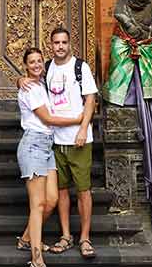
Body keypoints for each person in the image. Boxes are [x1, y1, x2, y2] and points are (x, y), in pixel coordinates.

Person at [21, 27, 98, 260]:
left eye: (64, 42)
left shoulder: (80, 67)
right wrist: (20, 78)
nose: (60, 46)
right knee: (61, 192)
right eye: (56, 43)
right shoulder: (46, 68)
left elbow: (91, 99)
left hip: (79, 139)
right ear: (51, 45)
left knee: (83, 190)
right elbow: (30, 82)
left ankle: (85, 238)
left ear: (69, 44)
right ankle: (66, 235)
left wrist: (83, 127)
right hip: (53, 142)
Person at [15, 47, 84, 267]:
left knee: (52, 200)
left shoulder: (41, 85)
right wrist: (79, 120)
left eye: (38, 61)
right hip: (33, 145)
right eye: (31, 62)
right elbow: (48, 119)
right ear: (25, 66)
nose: (36, 65)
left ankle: (26, 239)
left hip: (47, 147)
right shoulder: (29, 89)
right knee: (38, 204)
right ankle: (36, 258)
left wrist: (20, 80)